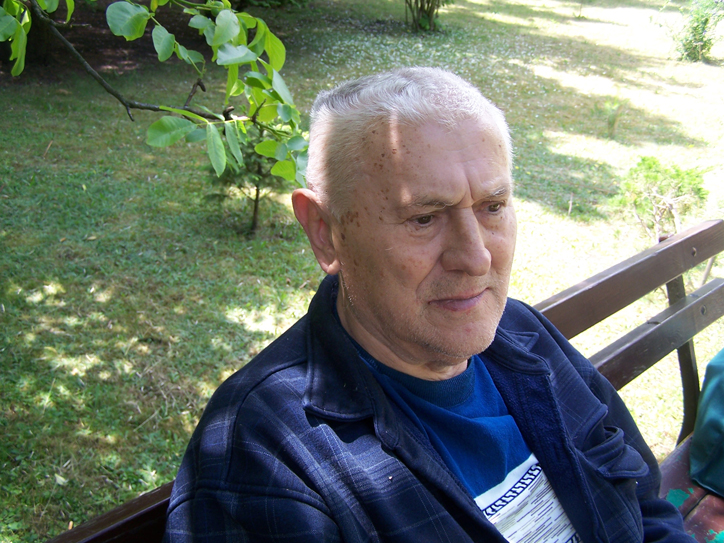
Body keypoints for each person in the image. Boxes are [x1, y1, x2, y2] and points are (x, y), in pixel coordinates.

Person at [164, 67, 692, 542]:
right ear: (325, 232)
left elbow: (646, 510)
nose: (476, 258)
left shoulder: (524, 333)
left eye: (492, 206)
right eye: (424, 218)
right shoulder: (267, 455)